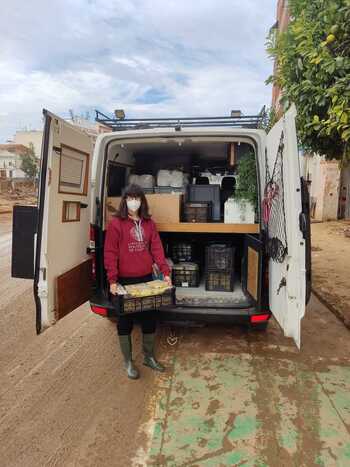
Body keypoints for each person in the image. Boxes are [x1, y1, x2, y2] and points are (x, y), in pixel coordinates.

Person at [104, 184, 172, 379]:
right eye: (130, 198)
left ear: (142, 201)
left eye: (137, 198)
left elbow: (157, 249)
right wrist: (113, 280)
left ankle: (148, 357)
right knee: (124, 321)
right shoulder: (116, 224)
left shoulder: (149, 224)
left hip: (146, 280)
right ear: (124, 201)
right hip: (125, 281)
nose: (133, 201)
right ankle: (128, 362)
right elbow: (110, 253)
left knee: (149, 318)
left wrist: (165, 272)